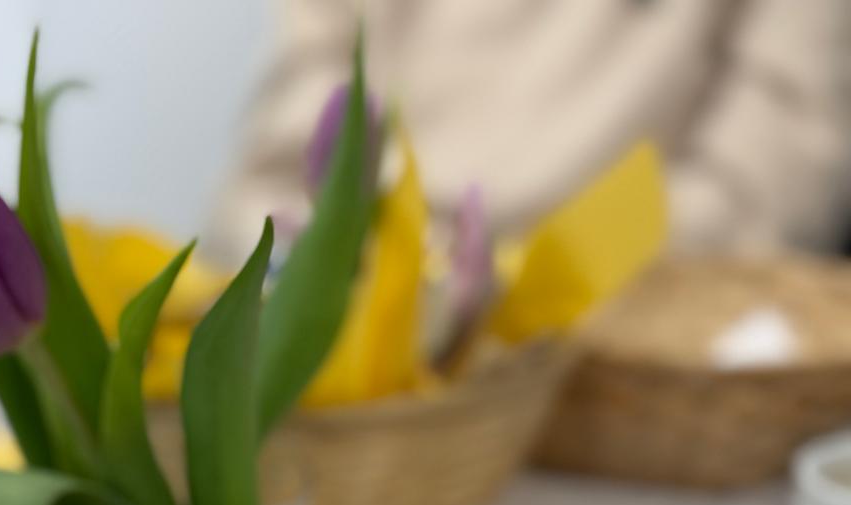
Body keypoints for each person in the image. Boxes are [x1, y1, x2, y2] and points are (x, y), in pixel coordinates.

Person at [213, 0, 851, 260]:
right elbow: (285, 155)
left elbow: (767, 192)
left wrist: (510, 287)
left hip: (625, 336)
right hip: (366, 313)